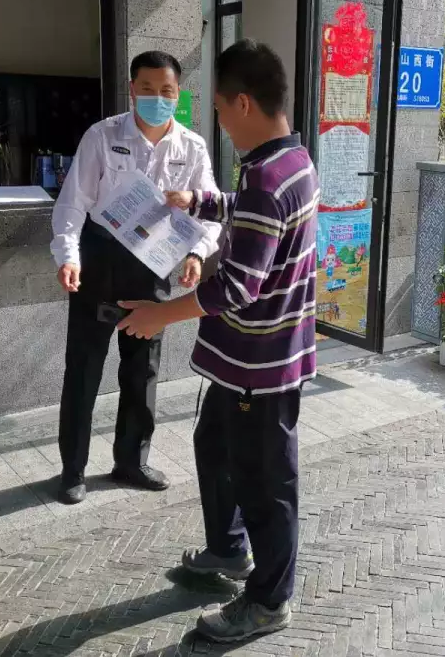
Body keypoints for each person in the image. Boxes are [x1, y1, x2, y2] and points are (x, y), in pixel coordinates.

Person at [117, 40, 318, 642]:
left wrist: (160, 315)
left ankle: (269, 600)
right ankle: (229, 550)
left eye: (222, 111)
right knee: (214, 446)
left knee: (265, 484)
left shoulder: (267, 178)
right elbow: (253, 215)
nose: (221, 124)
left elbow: (237, 287)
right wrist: (201, 200)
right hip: (248, 361)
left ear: (245, 103)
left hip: (261, 366)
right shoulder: (290, 161)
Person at [50, 50, 220, 504]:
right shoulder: (102, 136)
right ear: (132, 89)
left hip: (152, 266)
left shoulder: (191, 147)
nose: (156, 98)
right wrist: (69, 256)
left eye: (166, 91)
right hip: (99, 264)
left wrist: (197, 254)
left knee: (142, 372)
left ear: (178, 94)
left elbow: (209, 210)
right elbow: (73, 202)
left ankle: (131, 461)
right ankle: (72, 470)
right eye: (147, 89)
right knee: (83, 370)